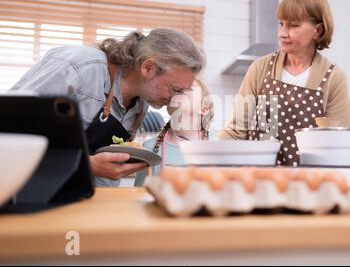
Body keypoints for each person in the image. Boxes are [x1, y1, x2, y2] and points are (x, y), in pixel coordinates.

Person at [10, 28, 205, 186]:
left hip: (79, 201)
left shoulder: (140, 105)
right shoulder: (78, 67)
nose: (174, 100)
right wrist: (87, 165)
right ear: (148, 68)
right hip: (24, 193)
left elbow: (102, 172)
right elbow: (9, 133)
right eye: (175, 89)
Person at [218, 0, 350, 166]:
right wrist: (209, 156)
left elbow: (336, 146)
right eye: (281, 24)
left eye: (293, 26)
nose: (282, 33)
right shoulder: (260, 68)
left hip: (309, 185)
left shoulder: (333, 78)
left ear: (317, 31)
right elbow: (236, 131)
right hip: (258, 181)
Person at [134, 78, 213, 186]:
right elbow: (139, 195)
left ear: (203, 109)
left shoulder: (214, 149)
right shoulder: (149, 148)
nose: (177, 91)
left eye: (188, 87)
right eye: (175, 89)